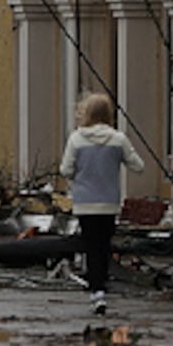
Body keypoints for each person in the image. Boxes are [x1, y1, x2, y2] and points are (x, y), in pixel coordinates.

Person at [60, 91, 144, 315]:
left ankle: (95, 288)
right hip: (109, 202)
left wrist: (81, 173)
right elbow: (138, 165)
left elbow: (65, 170)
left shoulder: (76, 139)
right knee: (104, 245)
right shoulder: (118, 139)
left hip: (85, 202)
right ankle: (100, 287)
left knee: (90, 245)